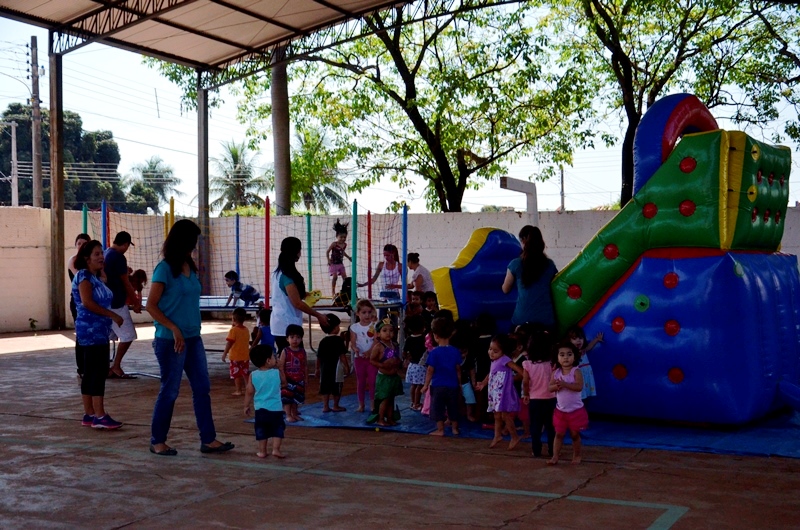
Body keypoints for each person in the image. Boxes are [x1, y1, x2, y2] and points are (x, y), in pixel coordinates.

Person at [146, 219, 234, 456]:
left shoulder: (190, 267)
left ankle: (209, 439)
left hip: (193, 338)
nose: (194, 246)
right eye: (192, 241)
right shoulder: (164, 269)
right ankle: (158, 441)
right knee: (170, 390)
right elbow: (151, 306)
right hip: (170, 340)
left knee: (202, 388)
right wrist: (173, 328)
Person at [72, 240, 125, 430]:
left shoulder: (94, 277)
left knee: (91, 372)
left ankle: (89, 414)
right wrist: (113, 315)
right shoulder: (84, 277)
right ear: (87, 258)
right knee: (97, 372)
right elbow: (87, 302)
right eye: (96, 254)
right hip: (92, 331)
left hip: (98, 331)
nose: (101, 257)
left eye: (101, 253)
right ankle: (100, 415)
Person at [270, 237, 329, 353]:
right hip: (286, 325)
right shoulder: (286, 275)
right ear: (295, 252)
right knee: (292, 360)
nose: (300, 253)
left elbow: (288, 294)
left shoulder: (278, 272)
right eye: (299, 250)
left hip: (282, 323)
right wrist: (318, 315)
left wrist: (305, 294)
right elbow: (297, 303)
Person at [501, 225, 558, 330]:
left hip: (522, 320)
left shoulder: (515, 264)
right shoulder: (550, 265)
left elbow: (505, 289)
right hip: (546, 320)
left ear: (522, 241)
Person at [476, 334, 525, 450]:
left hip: (503, 393)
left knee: (505, 415)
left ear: (503, 351)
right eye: (490, 349)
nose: (491, 353)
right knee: (497, 415)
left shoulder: (505, 360)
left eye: (495, 351)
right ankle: (497, 436)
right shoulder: (494, 361)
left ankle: (514, 436)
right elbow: (491, 374)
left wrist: (512, 379)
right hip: (494, 392)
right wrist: (483, 383)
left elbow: (520, 371)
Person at [104, 231, 141, 379]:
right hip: (117, 304)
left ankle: (108, 366)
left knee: (109, 336)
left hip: (108, 302)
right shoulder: (119, 257)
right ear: (125, 244)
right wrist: (136, 301)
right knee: (128, 335)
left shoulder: (107, 253)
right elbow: (126, 283)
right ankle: (116, 365)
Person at [548, 340, 588, 465]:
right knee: (558, 434)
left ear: (575, 356)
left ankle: (577, 455)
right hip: (560, 411)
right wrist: (556, 387)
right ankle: (555, 456)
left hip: (575, 411)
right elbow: (550, 388)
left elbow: (579, 387)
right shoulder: (556, 373)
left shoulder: (576, 371)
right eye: (562, 355)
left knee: (575, 435)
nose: (566, 357)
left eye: (569, 354)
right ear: (557, 357)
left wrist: (565, 384)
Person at [421, 317, 462, 436]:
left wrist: (425, 385)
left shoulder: (434, 352)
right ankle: (455, 429)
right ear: (451, 334)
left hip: (438, 386)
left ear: (435, 336)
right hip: (453, 385)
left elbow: (430, 370)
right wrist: (459, 383)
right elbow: (458, 368)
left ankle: (440, 430)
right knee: (453, 407)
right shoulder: (455, 351)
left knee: (438, 408)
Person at [244, 345, 286, 459]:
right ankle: (276, 449)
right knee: (278, 429)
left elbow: (249, 391)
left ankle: (262, 451)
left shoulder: (253, 375)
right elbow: (284, 383)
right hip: (276, 408)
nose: (276, 358)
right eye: (273, 356)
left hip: (260, 409)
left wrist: (246, 405)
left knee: (261, 430)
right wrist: (281, 369)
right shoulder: (276, 373)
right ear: (268, 361)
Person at [521, 330, 556, 458]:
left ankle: (536, 450)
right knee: (551, 427)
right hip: (551, 399)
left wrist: (526, 394)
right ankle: (553, 450)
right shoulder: (552, 363)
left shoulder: (527, 364)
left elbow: (525, 382)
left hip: (535, 399)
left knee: (535, 426)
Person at [368, 318, 403, 426]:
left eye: (391, 330)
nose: (388, 333)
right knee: (384, 399)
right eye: (385, 330)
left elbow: (394, 357)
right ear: (378, 334)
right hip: (384, 378)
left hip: (393, 376)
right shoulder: (378, 347)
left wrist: (399, 362)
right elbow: (372, 360)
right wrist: (382, 365)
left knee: (391, 398)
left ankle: (390, 417)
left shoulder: (394, 345)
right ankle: (380, 418)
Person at [68, 232, 91, 378]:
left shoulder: (91, 261)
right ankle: (81, 368)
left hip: (90, 301)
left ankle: (90, 366)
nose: (81, 246)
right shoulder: (74, 261)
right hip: (77, 302)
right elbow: (82, 278)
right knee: (81, 334)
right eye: (79, 243)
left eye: (84, 243)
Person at [315, 313, 349, 413]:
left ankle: (325, 406)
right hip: (336, 368)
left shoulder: (323, 341)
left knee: (325, 387)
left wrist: (317, 369)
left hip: (325, 368)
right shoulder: (338, 341)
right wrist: (346, 366)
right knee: (337, 387)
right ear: (335, 328)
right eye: (338, 326)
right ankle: (335, 405)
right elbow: (342, 355)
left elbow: (318, 357)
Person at [350, 299, 379, 413]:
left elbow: (376, 341)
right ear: (358, 313)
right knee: (361, 382)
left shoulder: (375, 326)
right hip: (360, 359)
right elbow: (353, 342)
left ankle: (372, 404)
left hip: (372, 358)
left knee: (373, 381)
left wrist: (370, 352)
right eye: (364, 312)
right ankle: (361, 404)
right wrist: (355, 349)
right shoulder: (354, 327)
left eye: (369, 312)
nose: (367, 315)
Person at [278, 323, 307, 423]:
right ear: (287, 339)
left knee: (296, 398)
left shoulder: (302, 351)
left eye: (298, 337)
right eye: (292, 337)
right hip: (288, 380)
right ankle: (288, 415)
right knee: (287, 398)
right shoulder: (285, 351)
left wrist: (305, 378)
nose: (295, 339)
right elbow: (281, 366)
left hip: (299, 380)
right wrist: (283, 379)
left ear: (301, 339)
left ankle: (295, 413)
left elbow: (305, 365)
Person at [566, 325, 604, 400]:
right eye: (574, 338)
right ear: (569, 341)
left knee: (586, 395)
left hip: (586, 376)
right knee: (579, 395)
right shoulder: (570, 353)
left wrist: (596, 339)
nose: (578, 340)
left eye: (580, 338)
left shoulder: (583, 350)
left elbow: (589, 346)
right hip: (578, 377)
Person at [221, 307, 251, 396]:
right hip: (245, 356)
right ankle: (248, 388)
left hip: (235, 356)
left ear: (233, 319)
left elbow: (229, 343)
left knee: (236, 374)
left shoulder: (233, 330)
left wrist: (224, 353)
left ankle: (238, 390)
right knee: (245, 373)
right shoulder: (246, 330)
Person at [403, 314, 427, 411]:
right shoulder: (423, 339)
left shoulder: (409, 339)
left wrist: (407, 358)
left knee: (413, 385)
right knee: (419, 386)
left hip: (412, 365)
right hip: (420, 366)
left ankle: (413, 402)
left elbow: (404, 352)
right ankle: (417, 403)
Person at [327, 219, 351, 298]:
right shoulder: (334, 244)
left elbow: (342, 252)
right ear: (337, 236)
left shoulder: (344, 245)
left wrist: (348, 257)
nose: (343, 239)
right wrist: (328, 260)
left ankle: (345, 291)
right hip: (333, 263)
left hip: (340, 263)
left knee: (345, 278)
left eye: (344, 237)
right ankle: (333, 292)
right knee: (335, 277)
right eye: (341, 237)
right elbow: (327, 251)